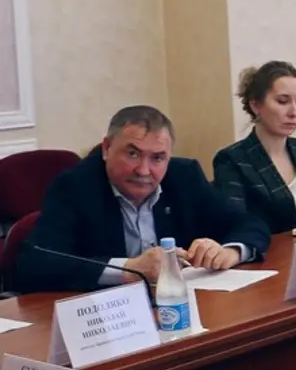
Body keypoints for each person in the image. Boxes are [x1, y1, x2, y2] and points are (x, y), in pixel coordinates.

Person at [15, 106, 270, 294]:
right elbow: (34, 264)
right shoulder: (75, 186)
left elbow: (250, 224)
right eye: (132, 154)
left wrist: (230, 251)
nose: (144, 170)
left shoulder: (185, 176)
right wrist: (129, 269)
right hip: (108, 321)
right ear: (106, 148)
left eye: (157, 158)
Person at [213, 62, 296, 234]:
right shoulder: (232, 159)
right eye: (283, 101)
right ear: (256, 106)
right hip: (266, 248)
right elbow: (235, 223)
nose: (294, 112)